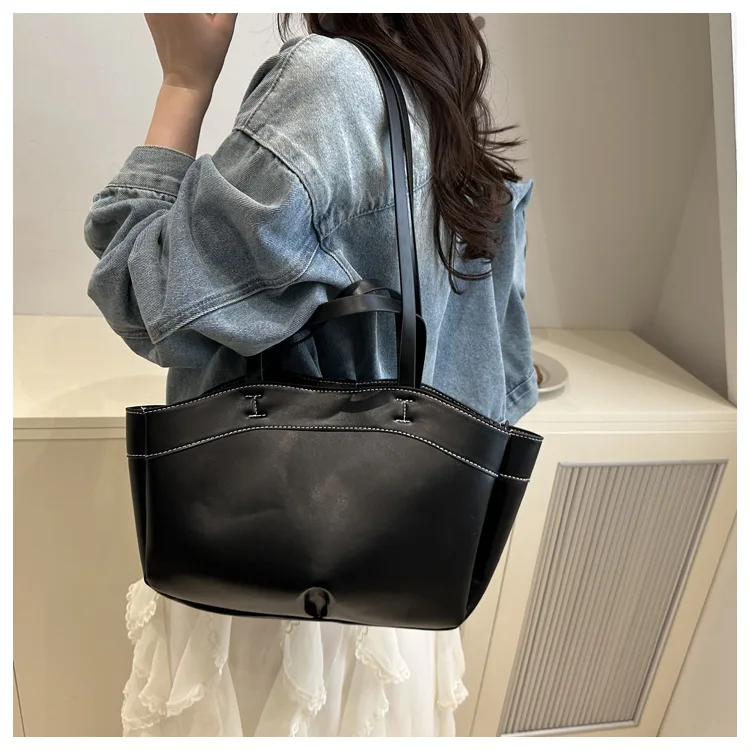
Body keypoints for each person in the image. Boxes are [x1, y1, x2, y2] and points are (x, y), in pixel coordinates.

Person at [84, 13, 538, 737]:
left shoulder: (329, 82)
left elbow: (143, 298)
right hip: (395, 585)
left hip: (272, 586)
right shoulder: (446, 99)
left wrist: (183, 83)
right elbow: (506, 378)